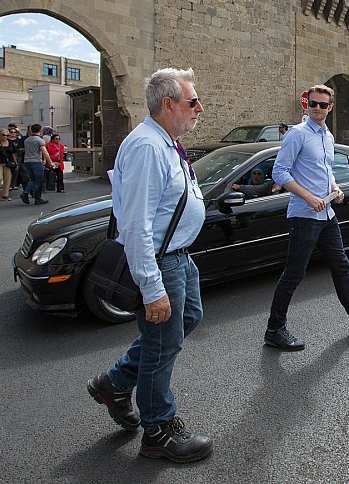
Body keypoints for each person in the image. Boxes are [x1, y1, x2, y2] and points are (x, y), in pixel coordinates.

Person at [87, 68, 212, 463]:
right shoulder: (147, 146)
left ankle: (116, 381)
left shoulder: (166, 142)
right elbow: (136, 224)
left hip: (178, 257)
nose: (200, 108)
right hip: (161, 261)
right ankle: (158, 429)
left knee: (188, 317)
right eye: (193, 102)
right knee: (162, 343)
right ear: (168, 104)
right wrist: (152, 287)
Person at [264, 84, 349, 351]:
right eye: (313, 104)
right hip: (304, 215)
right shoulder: (297, 135)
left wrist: (334, 187)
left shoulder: (327, 136)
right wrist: (308, 197)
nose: (317, 109)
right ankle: (274, 329)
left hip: (327, 214)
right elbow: (280, 172)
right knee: (294, 274)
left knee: (341, 265)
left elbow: (325, 171)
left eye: (323, 105)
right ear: (306, 105)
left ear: (330, 107)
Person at [20, 123, 54, 205]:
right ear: (40, 130)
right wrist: (50, 162)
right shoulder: (39, 140)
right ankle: (35, 197)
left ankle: (27, 193)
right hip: (36, 161)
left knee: (32, 179)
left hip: (27, 161)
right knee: (38, 180)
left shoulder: (27, 140)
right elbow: (44, 152)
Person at [8, 123, 24, 190]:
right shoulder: (7, 140)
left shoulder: (19, 139)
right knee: (9, 171)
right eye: (11, 132)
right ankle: (8, 184)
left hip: (18, 155)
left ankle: (13, 184)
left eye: (14, 132)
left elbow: (22, 147)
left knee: (16, 170)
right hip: (9, 156)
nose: (13, 133)